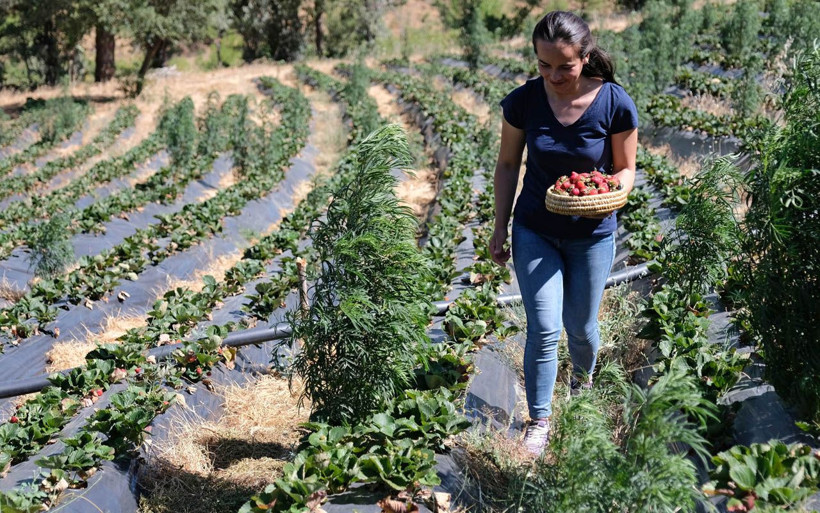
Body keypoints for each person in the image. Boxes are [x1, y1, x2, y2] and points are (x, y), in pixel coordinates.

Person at [490, 10, 638, 457]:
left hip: (592, 232)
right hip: (535, 226)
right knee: (544, 326)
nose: (553, 75)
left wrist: (608, 190)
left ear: (585, 56)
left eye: (565, 66)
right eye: (543, 64)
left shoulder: (614, 102)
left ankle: (582, 382)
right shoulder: (524, 101)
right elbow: (507, 164)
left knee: (581, 326)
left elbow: (627, 170)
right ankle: (540, 419)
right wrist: (500, 225)